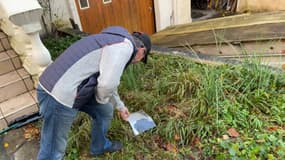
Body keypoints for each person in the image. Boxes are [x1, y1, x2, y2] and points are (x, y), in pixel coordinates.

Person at [36, 26, 151, 160]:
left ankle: (99, 146)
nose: (137, 62)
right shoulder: (124, 48)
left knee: (105, 110)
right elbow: (107, 84)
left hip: (72, 88)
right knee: (53, 150)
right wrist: (101, 99)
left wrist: (120, 106)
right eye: (142, 58)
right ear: (142, 51)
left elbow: (108, 81)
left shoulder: (114, 41)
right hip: (57, 95)